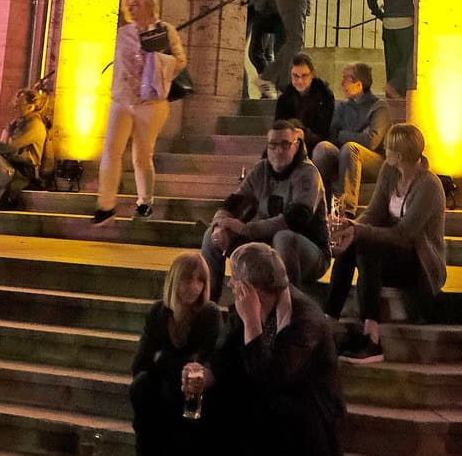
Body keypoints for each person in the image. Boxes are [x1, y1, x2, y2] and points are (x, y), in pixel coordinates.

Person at [204, 241, 343, 456]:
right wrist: (208, 373)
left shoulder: (304, 319)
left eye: (236, 279)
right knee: (212, 399)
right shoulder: (247, 306)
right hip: (272, 397)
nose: (230, 283)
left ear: (253, 288)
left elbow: (271, 378)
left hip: (307, 409)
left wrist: (252, 322)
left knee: (261, 411)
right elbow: (226, 350)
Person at [325, 122, 446, 363]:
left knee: (367, 242)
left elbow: (404, 234)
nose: (384, 153)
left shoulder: (429, 186)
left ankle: (372, 337)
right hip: (388, 256)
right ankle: (329, 321)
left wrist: (357, 230)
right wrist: (350, 229)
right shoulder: (390, 173)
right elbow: (373, 212)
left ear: (398, 155)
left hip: (420, 265)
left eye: (388, 148)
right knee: (356, 244)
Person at [202, 120, 327, 301]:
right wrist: (219, 225)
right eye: (273, 145)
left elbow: (297, 219)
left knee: (283, 237)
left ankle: (289, 307)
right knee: (210, 236)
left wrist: (247, 229)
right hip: (266, 245)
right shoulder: (261, 170)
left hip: (307, 250)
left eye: (285, 144)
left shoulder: (308, 173)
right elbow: (235, 202)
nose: (278, 151)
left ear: (296, 145)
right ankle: (208, 305)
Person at [91, 0, 186, 224]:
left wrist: (159, 63)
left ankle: (145, 201)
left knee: (142, 155)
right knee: (111, 150)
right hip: (122, 99)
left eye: (137, 4)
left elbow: (180, 61)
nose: (132, 8)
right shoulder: (123, 33)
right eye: (129, 4)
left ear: (149, 6)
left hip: (151, 102)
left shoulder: (165, 31)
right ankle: (106, 204)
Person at [129, 252, 223, 456]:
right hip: (162, 383)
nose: (194, 286)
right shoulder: (159, 312)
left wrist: (165, 361)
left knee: (175, 393)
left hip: (193, 390)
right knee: (142, 385)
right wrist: (171, 364)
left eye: (200, 280)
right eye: (188, 278)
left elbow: (207, 360)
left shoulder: (209, 314)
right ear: (175, 279)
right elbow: (141, 362)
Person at [310, 62, 390, 215]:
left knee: (350, 148)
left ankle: (345, 210)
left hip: (373, 161)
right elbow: (332, 135)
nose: (341, 84)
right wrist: (355, 135)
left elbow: (371, 142)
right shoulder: (342, 108)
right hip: (344, 156)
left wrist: (343, 134)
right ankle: (318, 204)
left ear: (359, 84)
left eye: (346, 79)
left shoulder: (379, 107)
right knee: (323, 148)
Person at [366, 0, 417, 99]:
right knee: (407, 60)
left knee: (391, 61)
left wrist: (380, 14)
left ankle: (392, 93)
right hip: (406, 24)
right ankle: (398, 88)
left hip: (388, 24)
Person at [273, 54, 335, 156]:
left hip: (316, 143)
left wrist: (304, 134)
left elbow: (325, 129)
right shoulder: (285, 98)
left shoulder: (325, 95)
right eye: (295, 76)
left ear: (312, 74)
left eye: (304, 75)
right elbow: (278, 126)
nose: (300, 81)